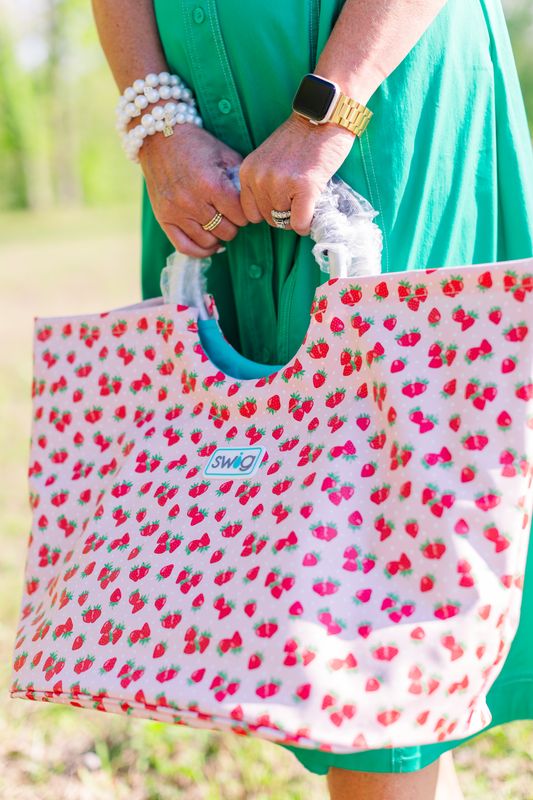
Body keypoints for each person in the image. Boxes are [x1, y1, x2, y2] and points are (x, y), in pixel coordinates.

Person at [91, 1, 533, 797]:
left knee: (377, 570)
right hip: (194, 115)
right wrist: (155, 122)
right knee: (301, 546)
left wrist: (329, 110)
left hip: (373, 81)